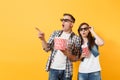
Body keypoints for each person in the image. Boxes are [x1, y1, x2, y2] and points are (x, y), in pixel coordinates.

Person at [36, 13, 81, 80]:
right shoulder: (55, 33)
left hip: (67, 71)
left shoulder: (76, 38)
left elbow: (76, 58)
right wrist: (43, 39)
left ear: (71, 24)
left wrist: (66, 53)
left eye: (66, 20)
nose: (63, 22)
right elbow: (47, 48)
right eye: (62, 20)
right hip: (53, 69)